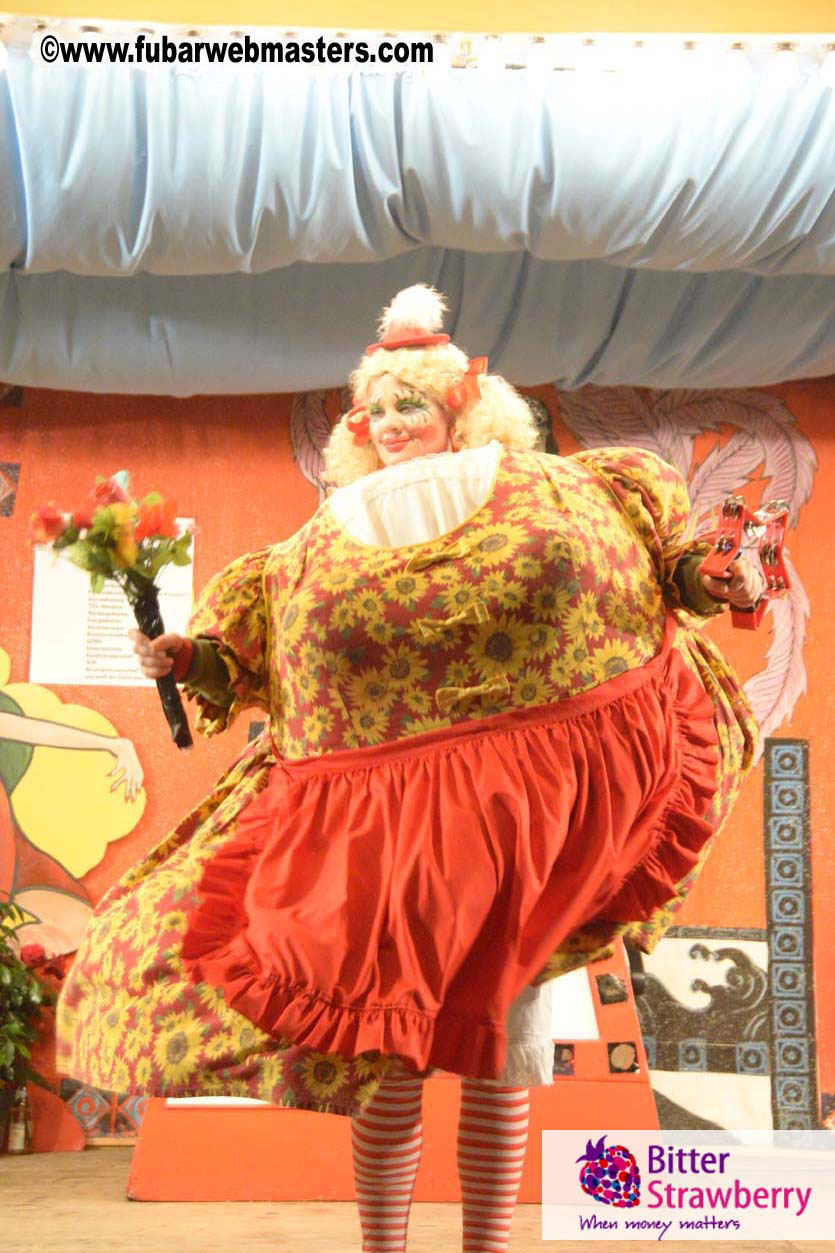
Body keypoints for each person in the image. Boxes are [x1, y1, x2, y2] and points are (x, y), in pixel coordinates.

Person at [57, 284, 763, 1252]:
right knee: (385, 1056)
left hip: (527, 834)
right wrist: (190, 657)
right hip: (391, 844)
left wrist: (710, 575)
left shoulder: (575, 492)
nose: (389, 423)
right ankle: (382, 1243)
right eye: (374, 406)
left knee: (502, 1053)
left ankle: (486, 1242)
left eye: (410, 403)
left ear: (463, 409)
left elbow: (661, 567)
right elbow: (253, 659)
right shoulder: (309, 552)